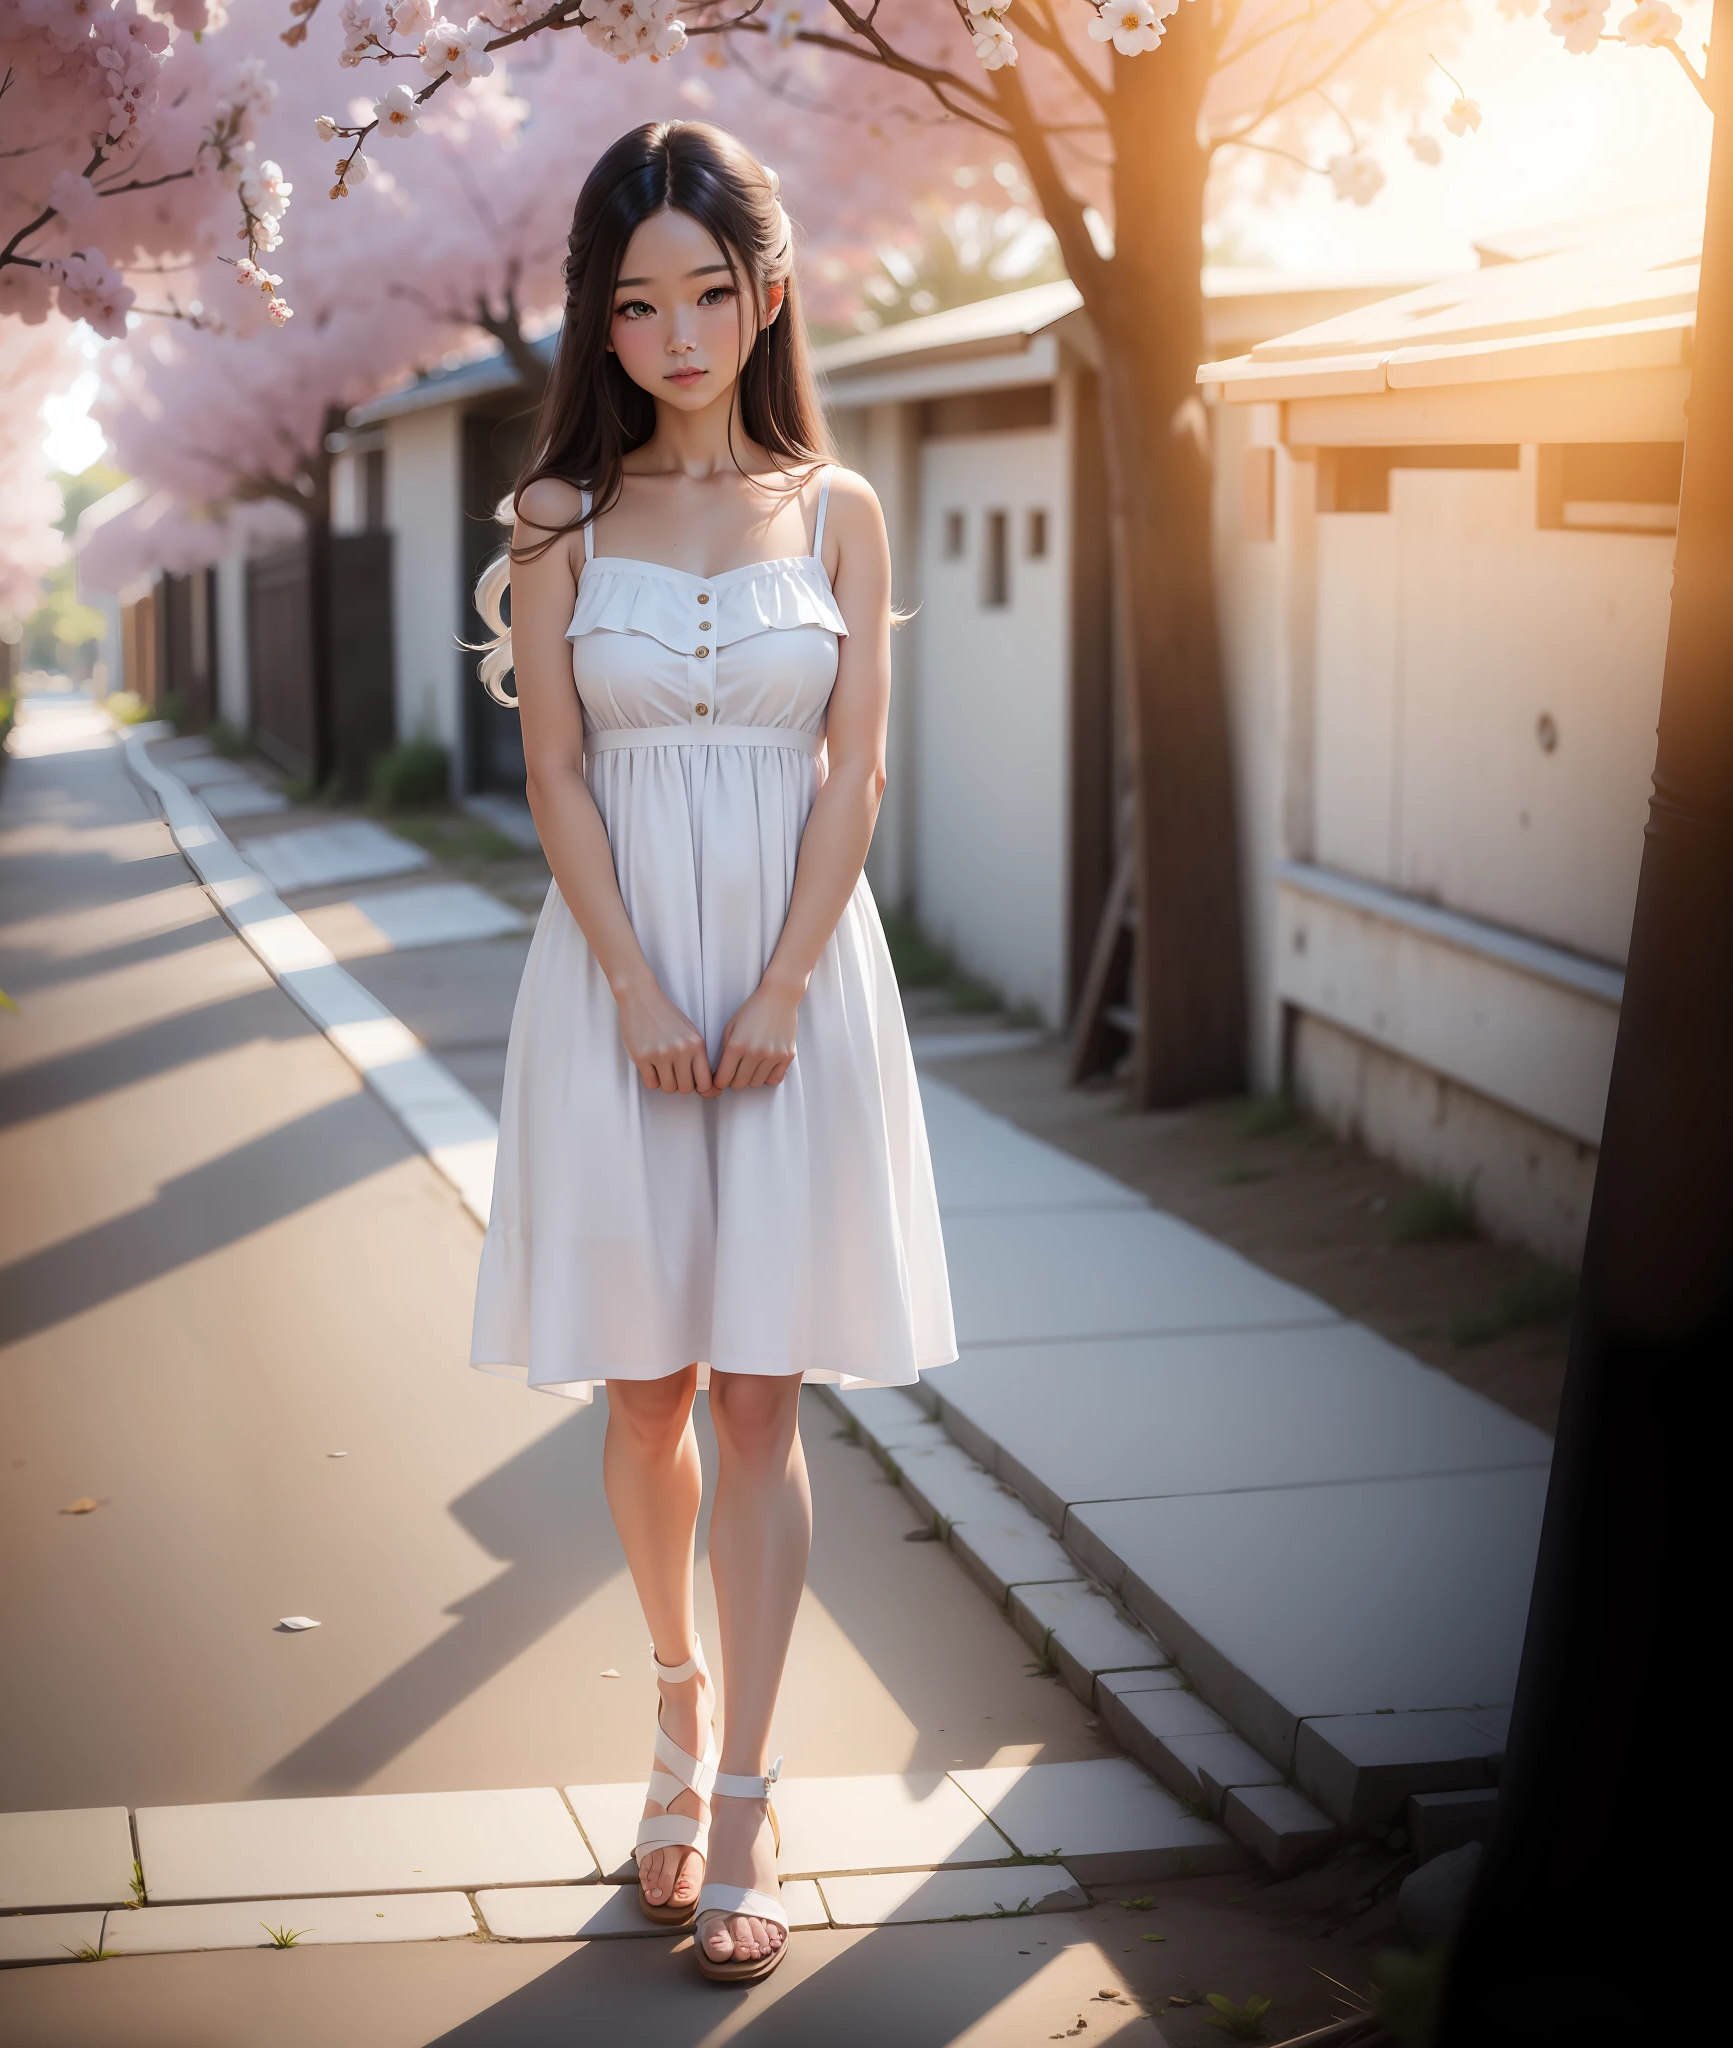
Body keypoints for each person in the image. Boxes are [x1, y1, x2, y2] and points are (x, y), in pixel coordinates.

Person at [468, 120, 955, 1986]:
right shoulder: (555, 523)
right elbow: (556, 775)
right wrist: (645, 993)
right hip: (614, 993)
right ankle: (675, 1703)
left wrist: (770, 990)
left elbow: (858, 773)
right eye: (637, 302)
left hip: (792, 987)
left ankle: (741, 1797)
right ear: (600, 323)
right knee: (648, 1393)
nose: (679, 333)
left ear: (768, 294)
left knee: (764, 1395)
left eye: (709, 292)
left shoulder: (838, 508)